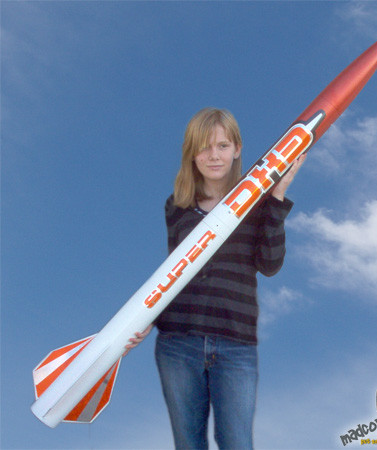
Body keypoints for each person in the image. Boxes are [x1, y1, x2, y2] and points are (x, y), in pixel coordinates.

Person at [124, 108, 306, 449]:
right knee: (188, 444)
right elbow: (174, 272)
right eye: (204, 147)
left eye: (222, 146)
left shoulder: (258, 204)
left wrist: (277, 196)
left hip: (235, 343)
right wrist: (145, 317)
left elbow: (269, 265)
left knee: (237, 443)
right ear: (192, 154)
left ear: (237, 149)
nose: (214, 155)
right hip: (177, 342)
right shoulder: (178, 206)